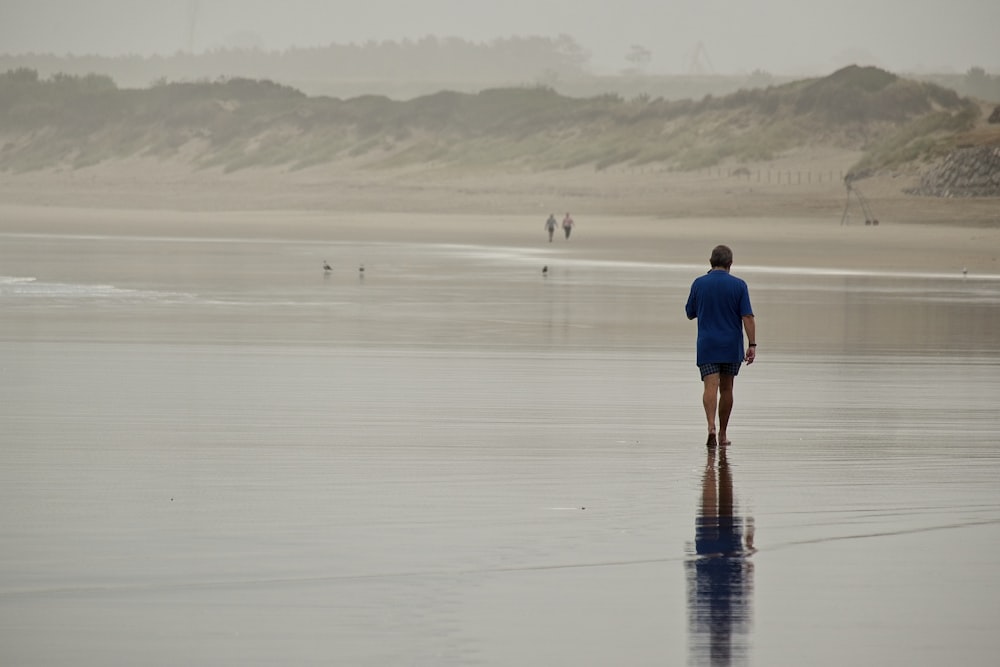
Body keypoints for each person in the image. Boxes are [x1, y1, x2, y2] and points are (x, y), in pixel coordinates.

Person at [685, 245, 756, 448]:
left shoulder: (699, 283)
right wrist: (752, 344)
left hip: (707, 343)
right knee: (727, 388)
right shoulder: (739, 285)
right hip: (731, 345)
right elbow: (748, 317)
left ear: (710, 261)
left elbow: (690, 312)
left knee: (710, 386)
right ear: (730, 264)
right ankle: (723, 433)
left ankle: (710, 427)